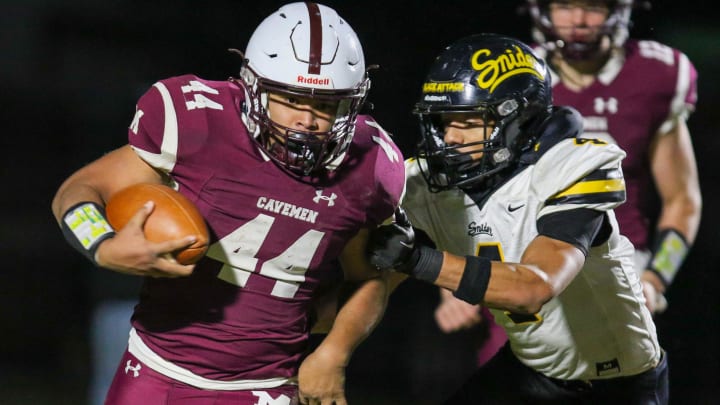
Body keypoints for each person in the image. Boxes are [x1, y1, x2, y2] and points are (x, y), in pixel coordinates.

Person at [51, 2, 405, 404]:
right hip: (155, 370)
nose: (307, 120)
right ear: (253, 87)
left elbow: (368, 277)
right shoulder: (199, 123)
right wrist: (102, 245)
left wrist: (334, 353)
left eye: (325, 105)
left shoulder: (370, 165)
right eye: (290, 99)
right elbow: (79, 190)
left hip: (266, 387)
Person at [368, 33, 668, 403]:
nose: (450, 137)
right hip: (531, 368)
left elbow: (532, 289)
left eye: (468, 121)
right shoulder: (426, 184)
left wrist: (418, 259)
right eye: (444, 121)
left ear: (518, 119)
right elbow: (372, 276)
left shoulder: (570, 167)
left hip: (615, 385)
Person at [526, 0, 701, 315]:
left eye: (593, 6)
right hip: (525, 261)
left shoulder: (656, 74)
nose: (578, 19)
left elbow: (683, 201)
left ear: (617, 11)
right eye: (564, 5)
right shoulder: (518, 75)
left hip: (620, 264)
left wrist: (656, 278)